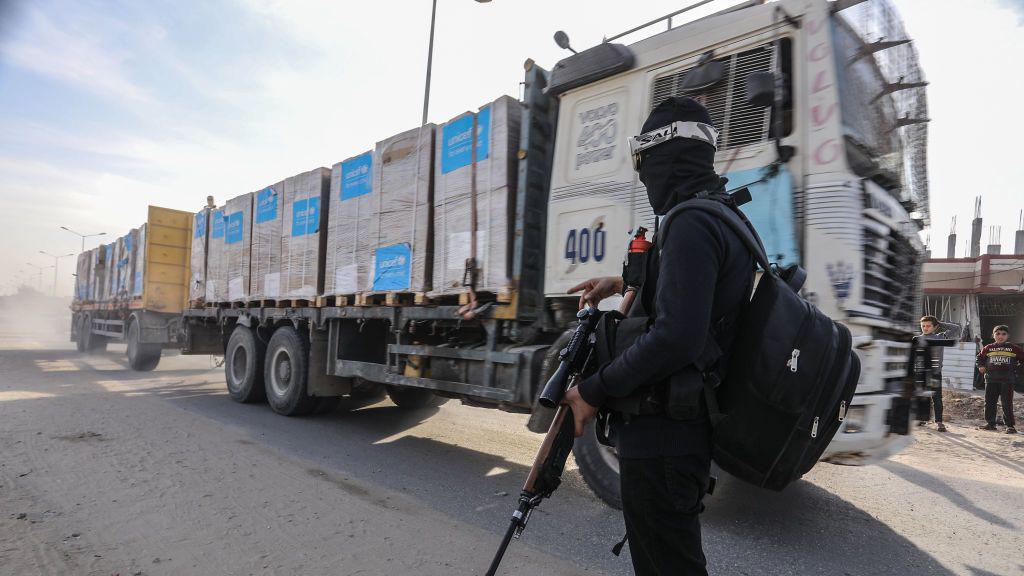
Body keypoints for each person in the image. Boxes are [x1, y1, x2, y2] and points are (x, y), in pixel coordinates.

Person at [562, 97, 754, 576]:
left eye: (643, 164)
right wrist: (626, 282)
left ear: (665, 157)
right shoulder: (722, 213)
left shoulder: (690, 222)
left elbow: (677, 337)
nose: (644, 177)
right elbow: (697, 299)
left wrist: (593, 389)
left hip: (665, 434)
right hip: (683, 430)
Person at [977, 325, 1022, 434]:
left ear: (1008, 336)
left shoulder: (1013, 348)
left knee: (1007, 403)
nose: (1000, 336)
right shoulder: (988, 348)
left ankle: (1010, 426)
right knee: (989, 402)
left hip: (1007, 380)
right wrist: (980, 366)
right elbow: (980, 358)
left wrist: (1016, 370)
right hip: (991, 379)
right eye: (998, 334)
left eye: (1003, 334)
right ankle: (990, 423)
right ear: (993, 335)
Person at [918, 315, 947, 432]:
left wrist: (939, 323)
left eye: (928, 326)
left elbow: (956, 330)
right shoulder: (917, 339)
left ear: (935, 327)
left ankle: (939, 422)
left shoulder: (940, 337)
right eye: (923, 326)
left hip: (934, 373)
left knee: (936, 397)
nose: (925, 328)